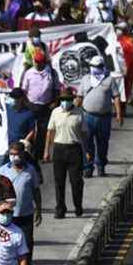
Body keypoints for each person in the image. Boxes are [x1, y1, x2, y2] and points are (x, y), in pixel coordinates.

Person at [0, 142, 42, 265]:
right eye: (11, 154)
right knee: (8, 243)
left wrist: (38, 210)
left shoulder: (30, 170)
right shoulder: (3, 171)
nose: (14, 157)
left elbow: (36, 191)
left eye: (16, 154)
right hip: (8, 215)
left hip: (26, 214)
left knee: (27, 243)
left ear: (23, 154)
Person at [77, 56, 122, 178]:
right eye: (94, 66)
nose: (97, 69)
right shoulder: (85, 79)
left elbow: (116, 97)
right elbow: (79, 97)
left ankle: (101, 166)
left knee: (103, 143)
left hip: (104, 118)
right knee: (87, 144)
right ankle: (88, 167)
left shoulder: (109, 80)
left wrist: (119, 114)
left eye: (99, 67)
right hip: (88, 117)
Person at [44, 89, 86, 218]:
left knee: (76, 181)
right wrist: (47, 150)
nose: (65, 102)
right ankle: (60, 208)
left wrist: (88, 151)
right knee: (59, 181)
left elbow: (84, 133)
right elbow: (50, 132)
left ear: (72, 100)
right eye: (63, 100)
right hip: (59, 148)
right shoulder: (56, 112)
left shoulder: (79, 113)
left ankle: (78, 205)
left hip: (74, 149)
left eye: (67, 99)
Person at [20, 50, 60, 163]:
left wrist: (55, 103)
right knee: (31, 131)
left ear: (44, 62)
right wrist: (26, 103)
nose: (38, 64)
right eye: (36, 62)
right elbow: (24, 90)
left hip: (46, 107)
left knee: (43, 131)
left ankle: (40, 154)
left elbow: (57, 89)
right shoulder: (28, 73)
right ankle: (28, 153)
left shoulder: (52, 73)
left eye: (40, 62)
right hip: (31, 105)